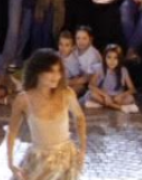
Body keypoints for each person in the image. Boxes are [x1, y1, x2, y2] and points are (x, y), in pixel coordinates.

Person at [6, 48, 89, 180]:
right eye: (51, 71)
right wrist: (10, 163)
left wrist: (83, 150)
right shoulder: (23, 100)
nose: (56, 76)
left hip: (65, 159)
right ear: (38, 72)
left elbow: (80, 118)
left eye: (59, 71)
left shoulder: (66, 93)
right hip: (38, 160)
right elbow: (12, 132)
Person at [83, 44, 138, 114]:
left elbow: (132, 89)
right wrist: (105, 95)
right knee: (91, 94)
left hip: (117, 97)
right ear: (104, 58)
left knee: (130, 98)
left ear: (119, 59)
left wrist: (122, 95)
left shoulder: (123, 70)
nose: (112, 61)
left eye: (115, 58)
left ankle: (103, 104)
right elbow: (91, 86)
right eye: (109, 57)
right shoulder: (100, 68)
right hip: (103, 96)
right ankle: (119, 107)